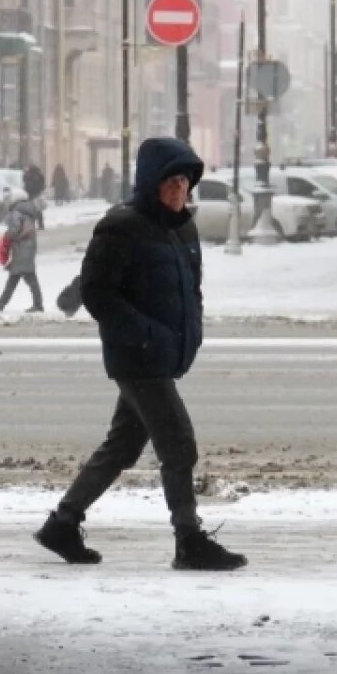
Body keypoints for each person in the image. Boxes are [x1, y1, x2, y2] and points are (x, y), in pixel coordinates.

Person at [34, 137, 247, 571]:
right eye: (170, 182)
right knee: (179, 445)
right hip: (136, 356)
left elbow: (192, 287)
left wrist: (193, 330)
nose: (178, 191)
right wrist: (146, 335)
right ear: (151, 183)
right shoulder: (121, 225)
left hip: (161, 352)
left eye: (184, 182)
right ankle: (189, 540)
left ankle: (63, 523)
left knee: (121, 447)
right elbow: (97, 293)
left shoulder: (182, 227)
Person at [0, 166, 46, 313]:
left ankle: (35, 304)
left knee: (21, 277)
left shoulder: (16, 213)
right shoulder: (27, 210)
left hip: (21, 248)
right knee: (21, 277)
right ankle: (3, 303)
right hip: (27, 247)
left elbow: (14, 230)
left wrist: (7, 237)